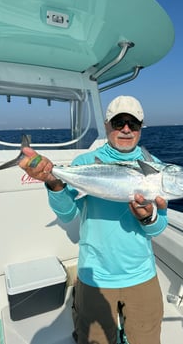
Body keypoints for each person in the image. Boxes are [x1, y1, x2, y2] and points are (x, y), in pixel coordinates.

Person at [19, 95, 168, 344]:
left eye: (134, 123)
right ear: (108, 125)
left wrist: (149, 217)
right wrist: (54, 182)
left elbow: (159, 227)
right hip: (95, 277)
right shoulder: (85, 163)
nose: (126, 129)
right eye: (119, 122)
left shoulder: (155, 169)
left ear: (142, 127)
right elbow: (67, 214)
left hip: (142, 276)